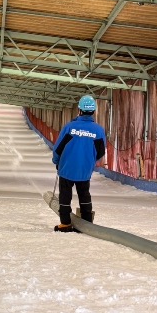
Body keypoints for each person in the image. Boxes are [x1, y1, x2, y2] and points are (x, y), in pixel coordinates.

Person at [52, 95, 106, 232]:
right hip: (85, 169)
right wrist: (90, 162)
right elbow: (101, 152)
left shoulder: (70, 127)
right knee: (84, 194)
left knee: (65, 195)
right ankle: (87, 223)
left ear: (79, 110)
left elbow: (58, 148)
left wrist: (56, 161)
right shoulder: (98, 130)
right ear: (93, 111)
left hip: (67, 167)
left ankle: (65, 224)